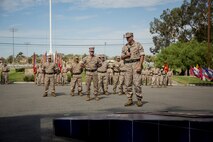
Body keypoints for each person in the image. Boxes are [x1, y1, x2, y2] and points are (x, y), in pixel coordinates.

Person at [121, 32, 145, 107]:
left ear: (132, 37)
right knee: (127, 83)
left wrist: (140, 65)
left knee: (137, 83)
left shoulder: (138, 45)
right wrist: (126, 55)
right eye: (126, 38)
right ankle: (129, 99)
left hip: (136, 64)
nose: (127, 39)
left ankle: (139, 99)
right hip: (127, 65)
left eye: (128, 37)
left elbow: (142, 55)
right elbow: (122, 57)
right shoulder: (124, 47)